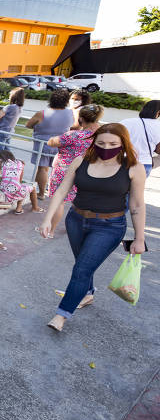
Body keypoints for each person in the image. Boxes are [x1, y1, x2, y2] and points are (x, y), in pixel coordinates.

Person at [41, 123, 146, 332]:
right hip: (76, 220)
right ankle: (87, 294)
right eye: (101, 143)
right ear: (94, 142)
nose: (107, 148)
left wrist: (140, 238)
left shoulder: (133, 168)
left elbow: (136, 205)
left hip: (109, 226)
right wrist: (47, 219)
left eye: (113, 144)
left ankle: (61, 315)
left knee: (81, 269)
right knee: (83, 265)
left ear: (123, 143)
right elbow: (62, 190)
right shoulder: (81, 161)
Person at [46, 104, 105, 236]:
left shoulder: (74, 135)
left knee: (59, 201)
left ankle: (51, 231)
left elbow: (51, 142)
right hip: (87, 171)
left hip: (64, 170)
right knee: (81, 201)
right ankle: (80, 228)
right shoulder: (102, 136)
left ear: (81, 119)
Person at [26, 89, 75, 199]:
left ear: (51, 99)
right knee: (55, 169)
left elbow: (28, 125)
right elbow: (73, 125)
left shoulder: (41, 113)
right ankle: (54, 192)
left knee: (42, 169)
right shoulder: (70, 113)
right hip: (61, 144)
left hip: (43, 144)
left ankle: (41, 193)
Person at [120, 100, 160, 176]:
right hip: (144, 163)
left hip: (123, 161)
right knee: (136, 187)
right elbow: (158, 150)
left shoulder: (126, 122)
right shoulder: (158, 126)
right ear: (158, 112)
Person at [0, 150, 43, 214]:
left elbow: (4, 177)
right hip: (16, 188)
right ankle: (34, 208)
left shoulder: (2, 163)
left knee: (21, 188)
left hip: (4, 187)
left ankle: (15, 207)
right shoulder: (20, 163)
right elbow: (19, 180)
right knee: (30, 188)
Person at [0, 87, 24, 168]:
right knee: (7, 152)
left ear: (14, 96)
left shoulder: (9, 107)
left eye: (10, 94)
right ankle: (12, 167)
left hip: (1, 131)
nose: (9, 96)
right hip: (9, 132)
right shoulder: (19, 108)